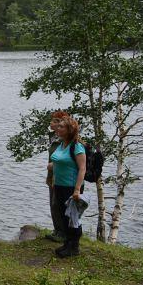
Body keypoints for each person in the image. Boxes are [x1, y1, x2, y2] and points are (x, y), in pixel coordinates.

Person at [48, 115, 87, 258]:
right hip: (59, 185)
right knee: (63, 216)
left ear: (70, 129)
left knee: (72, 217)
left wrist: (77, 190)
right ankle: (67, 243)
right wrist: (52, 166)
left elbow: (82, 168)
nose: (58, 128)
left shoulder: (77, 146)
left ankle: (74, 247)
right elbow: (60, 160)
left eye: (61, 127)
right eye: (58, 126)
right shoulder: (62, 144)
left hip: (71, 187)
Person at [46, 110, 70, 242]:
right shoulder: (54, 137)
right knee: (53, 203)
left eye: (54, 121)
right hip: (52, 175)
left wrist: (53, 167)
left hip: (60, 176)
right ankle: (57, 230)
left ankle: (62, 232)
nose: (51, 123)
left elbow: (66, 159)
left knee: (58, 203)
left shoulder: (65, 140)